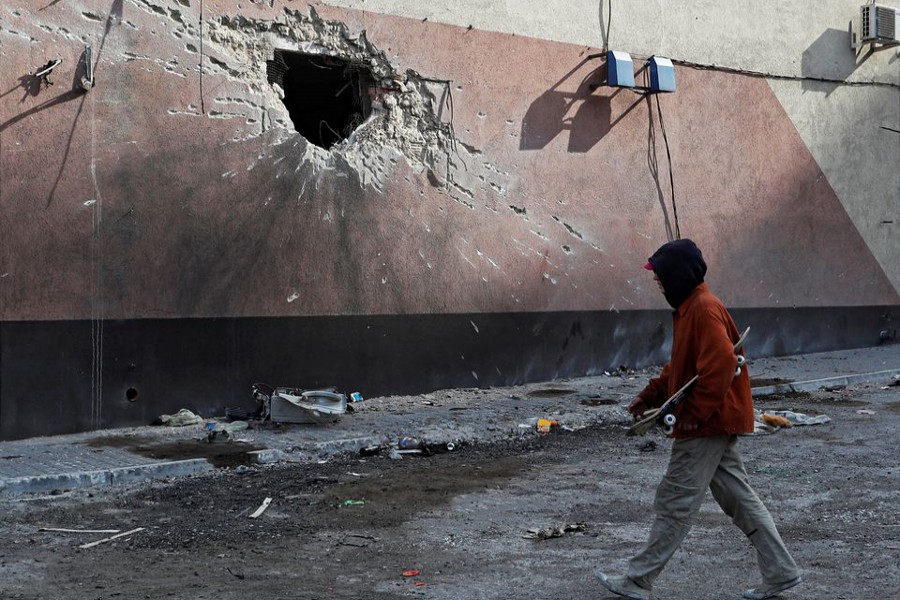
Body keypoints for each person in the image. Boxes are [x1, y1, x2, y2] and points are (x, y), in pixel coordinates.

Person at [594, 239, 802, 600]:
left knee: (675, 498)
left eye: (661, 279)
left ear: (677, 276)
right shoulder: (693, 308)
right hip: (717, 422)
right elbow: (684, 367)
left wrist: (690, 417)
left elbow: (720, 367)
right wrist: (653, 394)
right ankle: (781, 571)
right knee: (739, 497)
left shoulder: (703, 310)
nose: (659, 285)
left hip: (707, 424)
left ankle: (638, 580)